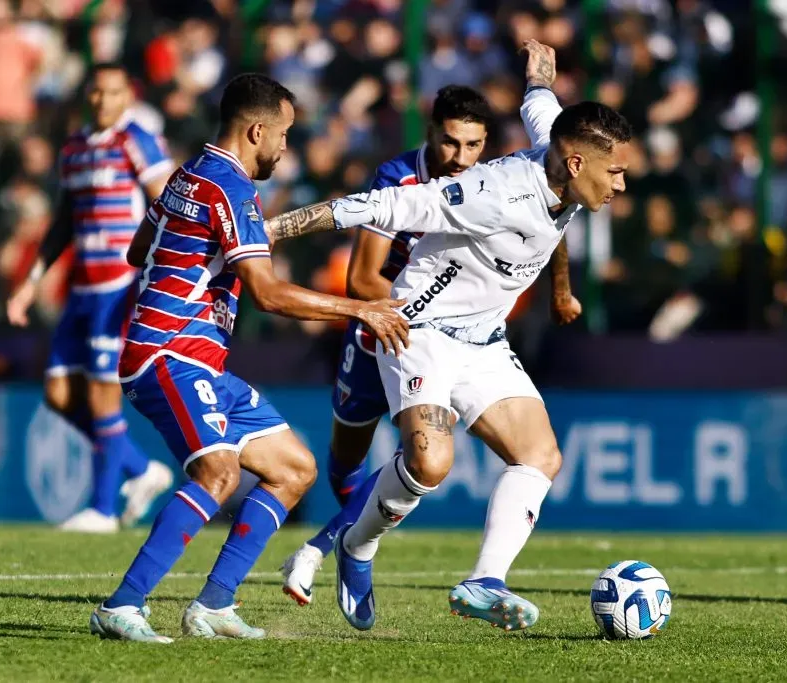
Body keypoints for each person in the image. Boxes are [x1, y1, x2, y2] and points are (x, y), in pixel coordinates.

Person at [262, 40, 629, 632]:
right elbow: (375, 207)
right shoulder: (492, 193)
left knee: (541, 455)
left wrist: (538, 71)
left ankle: (484, 581)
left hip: (484, 340)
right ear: (579, 163)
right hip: (420, 328)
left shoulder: (562, 153)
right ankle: (356, 546)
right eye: (616, 172)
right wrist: (270, 230)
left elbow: (542, 104)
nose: (621, 184)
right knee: (430, 464)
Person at [87, 73, 409, 643]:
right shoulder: (229, 189)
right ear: (257, 130)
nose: (286, 147)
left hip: (194, 358)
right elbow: (269, 293)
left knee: (294, 468)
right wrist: (359, 310)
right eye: (282, 134)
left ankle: (213, 604)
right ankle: (122, 605)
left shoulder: (188, 176)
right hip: (168, 352)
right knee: (218, 472)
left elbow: (141, 249)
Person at [7, 62, 175, 533]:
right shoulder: (76, 149)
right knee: (59, 394)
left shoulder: (137, 140)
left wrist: (162, 273)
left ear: (128, 96)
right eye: (97, 93)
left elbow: (168, 204)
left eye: (113, 92)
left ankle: (102, 510)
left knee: (103, 395)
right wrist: (30, 281)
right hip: (80, 288)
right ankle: (140, 469)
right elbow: (63, 221)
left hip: (119, 288)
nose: (103, 101)